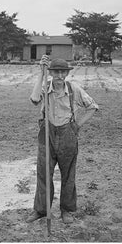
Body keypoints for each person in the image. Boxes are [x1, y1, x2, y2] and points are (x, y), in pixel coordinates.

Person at [27, 55, 99, 224]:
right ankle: (41, 210)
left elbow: (92, 107)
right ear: (51, 72)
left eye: (62, 73)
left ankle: (66, 210)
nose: (59, 76)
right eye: (56, 72)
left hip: (68, 134)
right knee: (44, 173)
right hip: (47, 134)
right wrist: (40, 73)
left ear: (66, 74)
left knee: (68, 175)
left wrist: (77, 125)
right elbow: (35, 99)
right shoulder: (45, 87)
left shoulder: (73, 89)